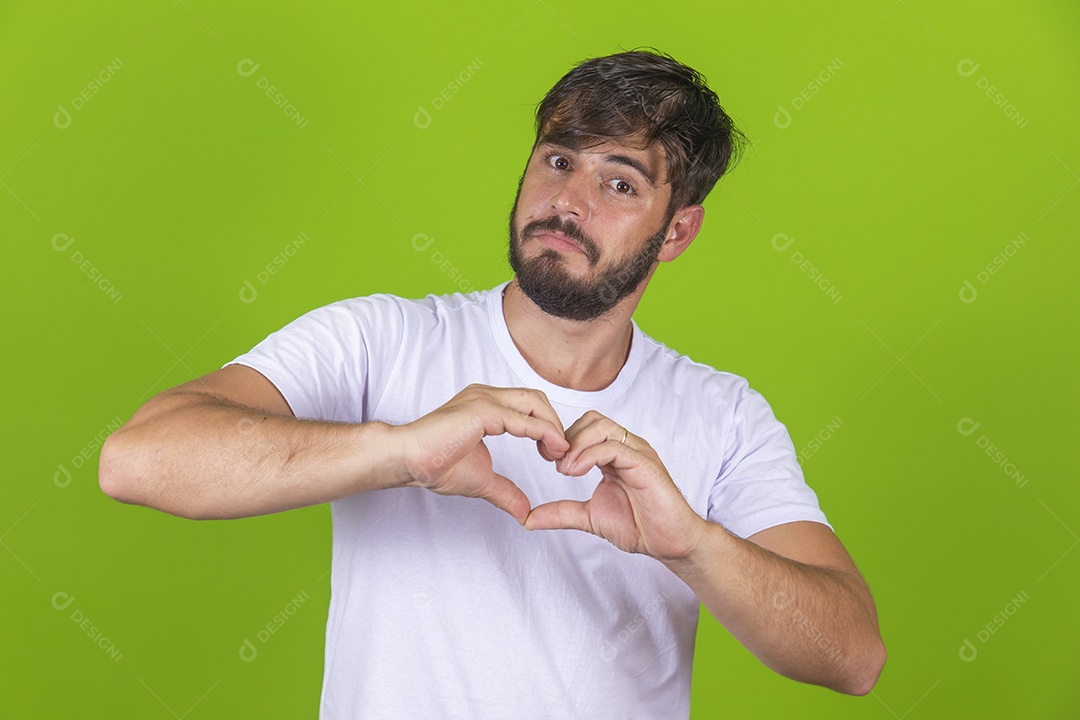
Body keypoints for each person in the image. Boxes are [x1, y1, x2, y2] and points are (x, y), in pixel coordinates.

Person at [100, 47, 885, 718]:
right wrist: (399, 451)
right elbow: (137, 461)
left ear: (677, 229)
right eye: (557, 160)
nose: (566, 201)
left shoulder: (725, 415)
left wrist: (693, 547)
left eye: (619, 183)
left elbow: (852, 656)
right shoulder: (380, 338)